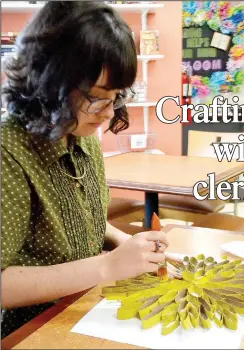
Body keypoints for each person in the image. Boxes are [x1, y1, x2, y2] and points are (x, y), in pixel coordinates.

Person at [1, 1, 178, 339]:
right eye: (97, 98)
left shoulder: (82, 135)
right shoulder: (8, 151)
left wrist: (125, 242)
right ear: (49, 81)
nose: (109, 113)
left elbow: (79, 222)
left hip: (85, 308)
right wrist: (108, 266)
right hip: (32, 332)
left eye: (116, 96)